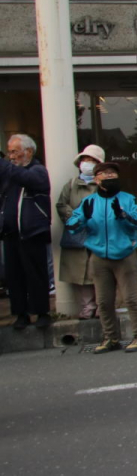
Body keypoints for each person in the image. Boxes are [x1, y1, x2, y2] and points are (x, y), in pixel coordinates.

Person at [66, 162, 137, 353]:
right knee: (103, 301)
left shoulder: (128, 198)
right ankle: (111, 338)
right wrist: (83, 218)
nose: (109, 176)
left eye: (113, 173)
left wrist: (124, 215)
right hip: (98, 257)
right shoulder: (88, 202)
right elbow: (72, 227)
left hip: (124, 255)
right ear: (97, 179)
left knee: (131, 298)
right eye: (104, 173)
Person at [0, 134, 52, 330]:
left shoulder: (37, 171)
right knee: (14, 277)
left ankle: (42, 313)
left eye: (14, 151)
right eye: (9, 152)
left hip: (31, 232)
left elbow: (23, 177)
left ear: (28, 151)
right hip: (11, 233)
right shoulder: (9, 174)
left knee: (35, 275)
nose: (11, 156)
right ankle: (20, 314)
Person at [56, 144, 104, 317]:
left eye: (92, 161)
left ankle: (101, 305)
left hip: (97, 233)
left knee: (98, 271)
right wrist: (75, 217)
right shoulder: (70, 184)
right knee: (80, 273)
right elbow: (61, 204)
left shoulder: (103, 184)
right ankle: (87, 306)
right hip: (77, 234)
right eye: (85, 160)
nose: (87, 163)